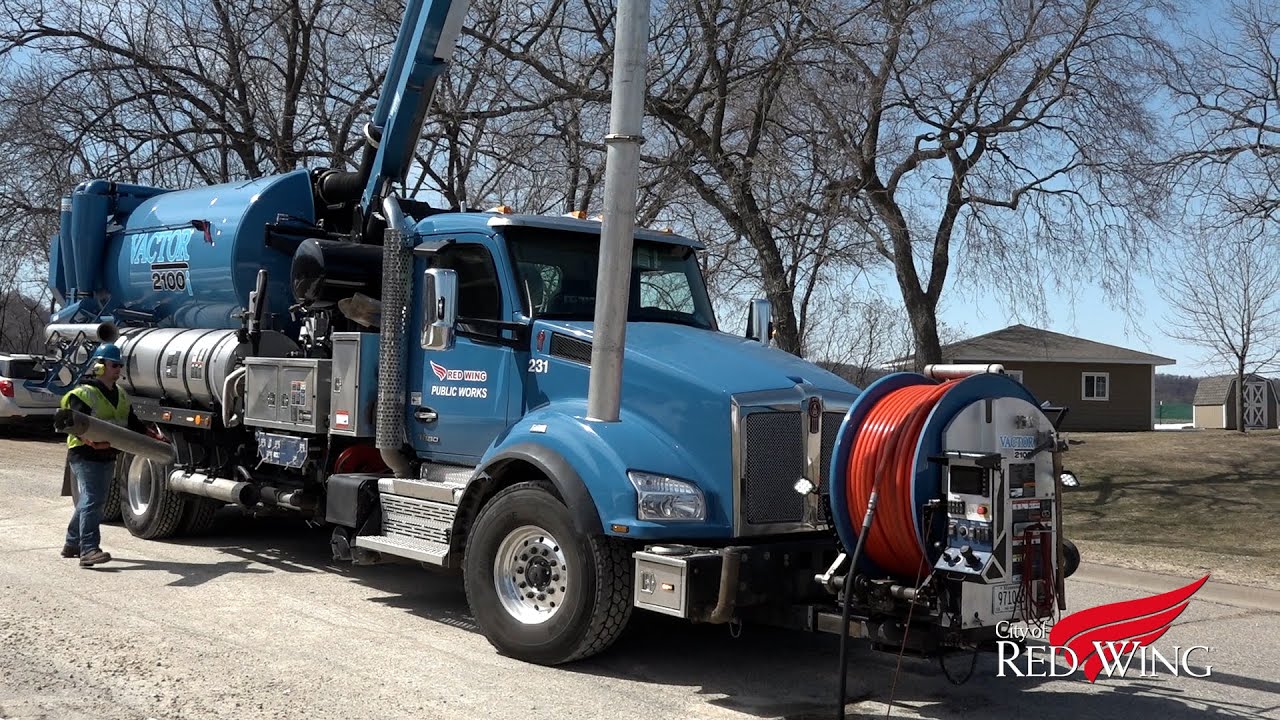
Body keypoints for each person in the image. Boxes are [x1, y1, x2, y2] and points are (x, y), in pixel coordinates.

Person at [60, 344, 146, 567]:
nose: (118, 368)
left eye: (120, 365)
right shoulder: (83, 393)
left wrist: (153, 436)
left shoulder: (120, 395)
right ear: (99, 366)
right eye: (113, 364)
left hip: (107, 453)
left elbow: (133, 422)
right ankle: (88, 550)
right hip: (85, 453)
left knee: (92, 499)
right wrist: (90, 441)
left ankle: (72, 543)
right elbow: (72, 423)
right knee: (93, 499)